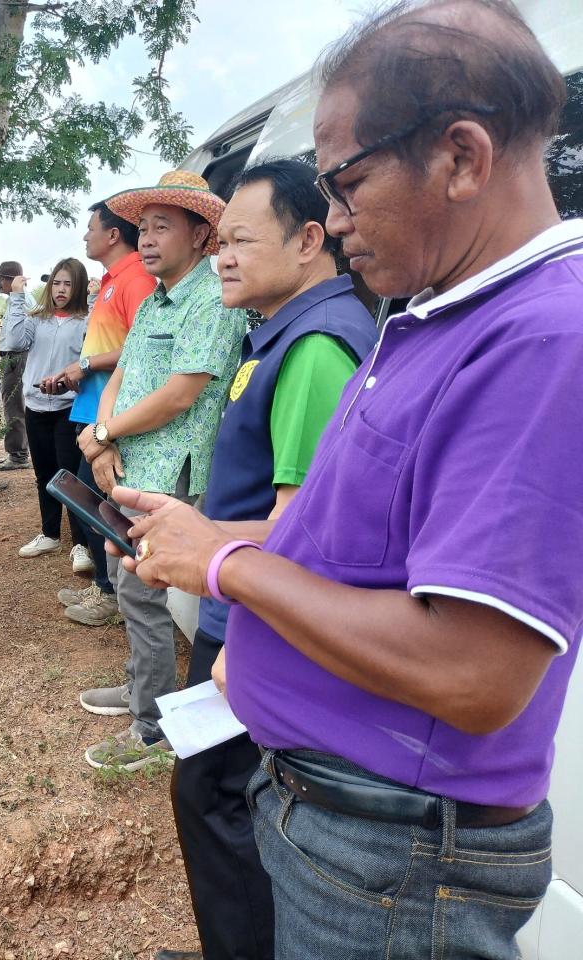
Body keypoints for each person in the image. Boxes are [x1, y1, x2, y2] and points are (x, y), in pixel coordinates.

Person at [114, 3, 583, 957]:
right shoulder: (432, 315)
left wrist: (230, 571)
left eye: (347, 182)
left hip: (392, 858)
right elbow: (360, 554)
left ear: (460, 158)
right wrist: (229, 542)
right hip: (348, 832)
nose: (330, 220)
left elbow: (475, 671)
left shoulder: (543, 340)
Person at [155, 160, 378, 960]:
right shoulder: (279, 333)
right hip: (241, 601)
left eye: (242, 239)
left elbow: (302, 529)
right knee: (218, 795)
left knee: (214, 796)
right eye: (220, 242)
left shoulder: (316, 347)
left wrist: (207, 556)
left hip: (257, 614)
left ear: (311, 239)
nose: (222, 256)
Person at [77, 172, 245, 772]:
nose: (145, 239)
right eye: (142, 227)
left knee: (141, 591)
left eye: (161, 227)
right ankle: (142, 690)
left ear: (202, 235)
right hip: (129, 462)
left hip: (170, 470)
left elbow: (182, 393)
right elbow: (121, 376)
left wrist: (105, 435)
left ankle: (152, 728)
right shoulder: (153, 299)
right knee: (133, 591)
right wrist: (101, 442)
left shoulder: (213, 298)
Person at [51, 200, 157, 626]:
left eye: (90, 227)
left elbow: (140, 351)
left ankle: (110, 593)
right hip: (95, 408)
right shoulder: (113, 281)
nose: (85, 236)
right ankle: (103, 584)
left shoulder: (135, 280)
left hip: (112, 418)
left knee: (100, 505)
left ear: (113, 235)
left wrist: (88, 365)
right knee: (88, 502)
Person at [0, 258, 91, 567]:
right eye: (57, 282)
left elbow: (88, 368)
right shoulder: (37, 319)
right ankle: (50, 534)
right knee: (44, 475)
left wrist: (67, 383)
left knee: (71, 477)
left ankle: (81, 544)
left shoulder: (85, 321)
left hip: (68, 409)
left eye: (68, 283)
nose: (61, 289)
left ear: (77, 286)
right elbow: (13, 341)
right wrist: (15, 297)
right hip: (37, 407)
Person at [0, 259, 31, 470]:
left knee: (13, 404)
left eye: (2, 280)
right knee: (12, 403)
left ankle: (18, 455)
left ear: (11, 280)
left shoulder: (24, 300)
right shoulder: (14, 301)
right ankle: (17, 452)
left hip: (17, 357)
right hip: (12, 357)